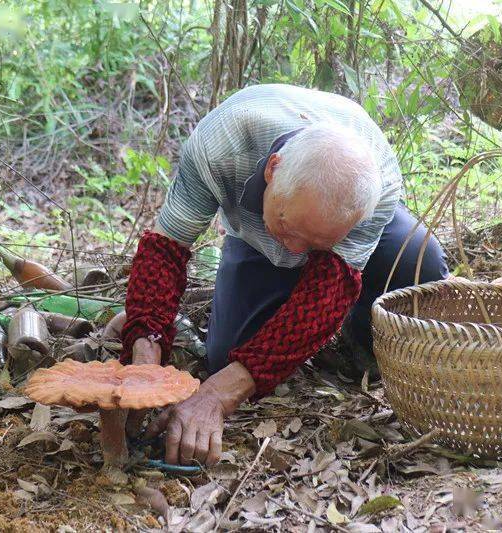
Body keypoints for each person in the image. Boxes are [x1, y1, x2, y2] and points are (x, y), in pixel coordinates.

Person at [120, 84, 448, 467]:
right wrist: (146, 347)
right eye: (289, 228)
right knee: (227, 356)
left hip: (349, 247)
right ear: (273, 168)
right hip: (255, 240)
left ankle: (360, 340)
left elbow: (326, 293)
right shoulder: (220, 144)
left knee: (419, 260)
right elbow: (165, 250)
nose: (296, 253)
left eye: (314, 243)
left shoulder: (377, 181)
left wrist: (214, 397)